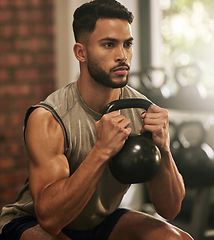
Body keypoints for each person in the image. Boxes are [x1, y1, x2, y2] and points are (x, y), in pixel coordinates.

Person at [0, 0, 193, 239]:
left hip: (101, 220)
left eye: (127, 44)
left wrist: (163, 148)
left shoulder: (141, 110)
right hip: (32, 222)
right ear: (81, 52)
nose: (122, 56)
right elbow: (50, 219)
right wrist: (101, 151)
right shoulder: (49, 118)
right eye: (109, 44)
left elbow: (170, 209)